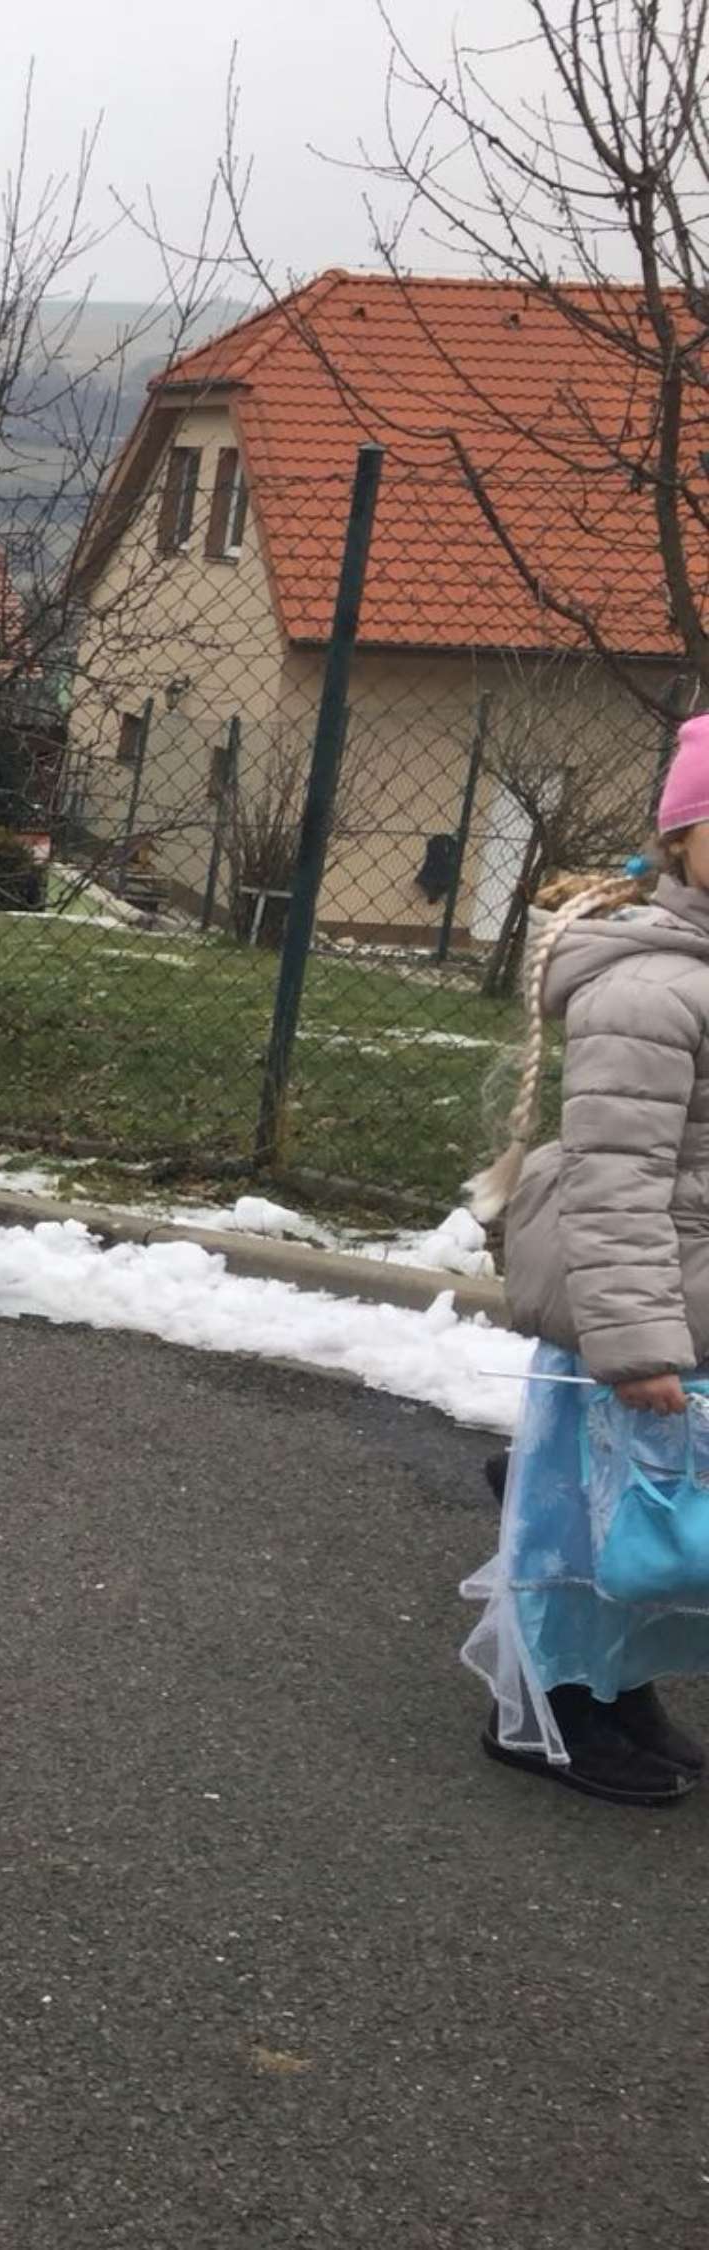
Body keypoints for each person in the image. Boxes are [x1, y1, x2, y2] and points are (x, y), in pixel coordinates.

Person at [460, 721, 709, 1806]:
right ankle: (548, 1710)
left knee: (654, 1530)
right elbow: (615, 1184)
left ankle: (617, 1687)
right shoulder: (649, 992)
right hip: (641, 1320)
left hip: (691, 1306)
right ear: (682, 839)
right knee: (592, 1527)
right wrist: (638, 1347)